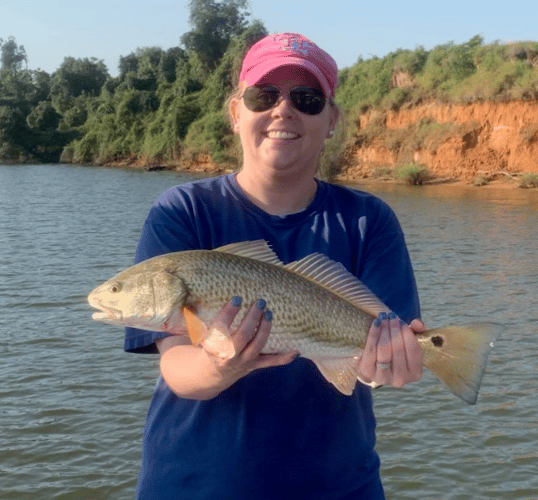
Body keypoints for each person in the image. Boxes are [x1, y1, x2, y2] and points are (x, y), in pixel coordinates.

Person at [125, 32, 424, 500]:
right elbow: (177, 368)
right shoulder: (180, 211)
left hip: (338, 487)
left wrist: (388, 366)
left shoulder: (369, 220)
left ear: (332, 121)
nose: (283, 110)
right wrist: (218, 365)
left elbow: (382, 350)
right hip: (194, 486)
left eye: (306, 99)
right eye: (263, 95)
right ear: (235, 112)